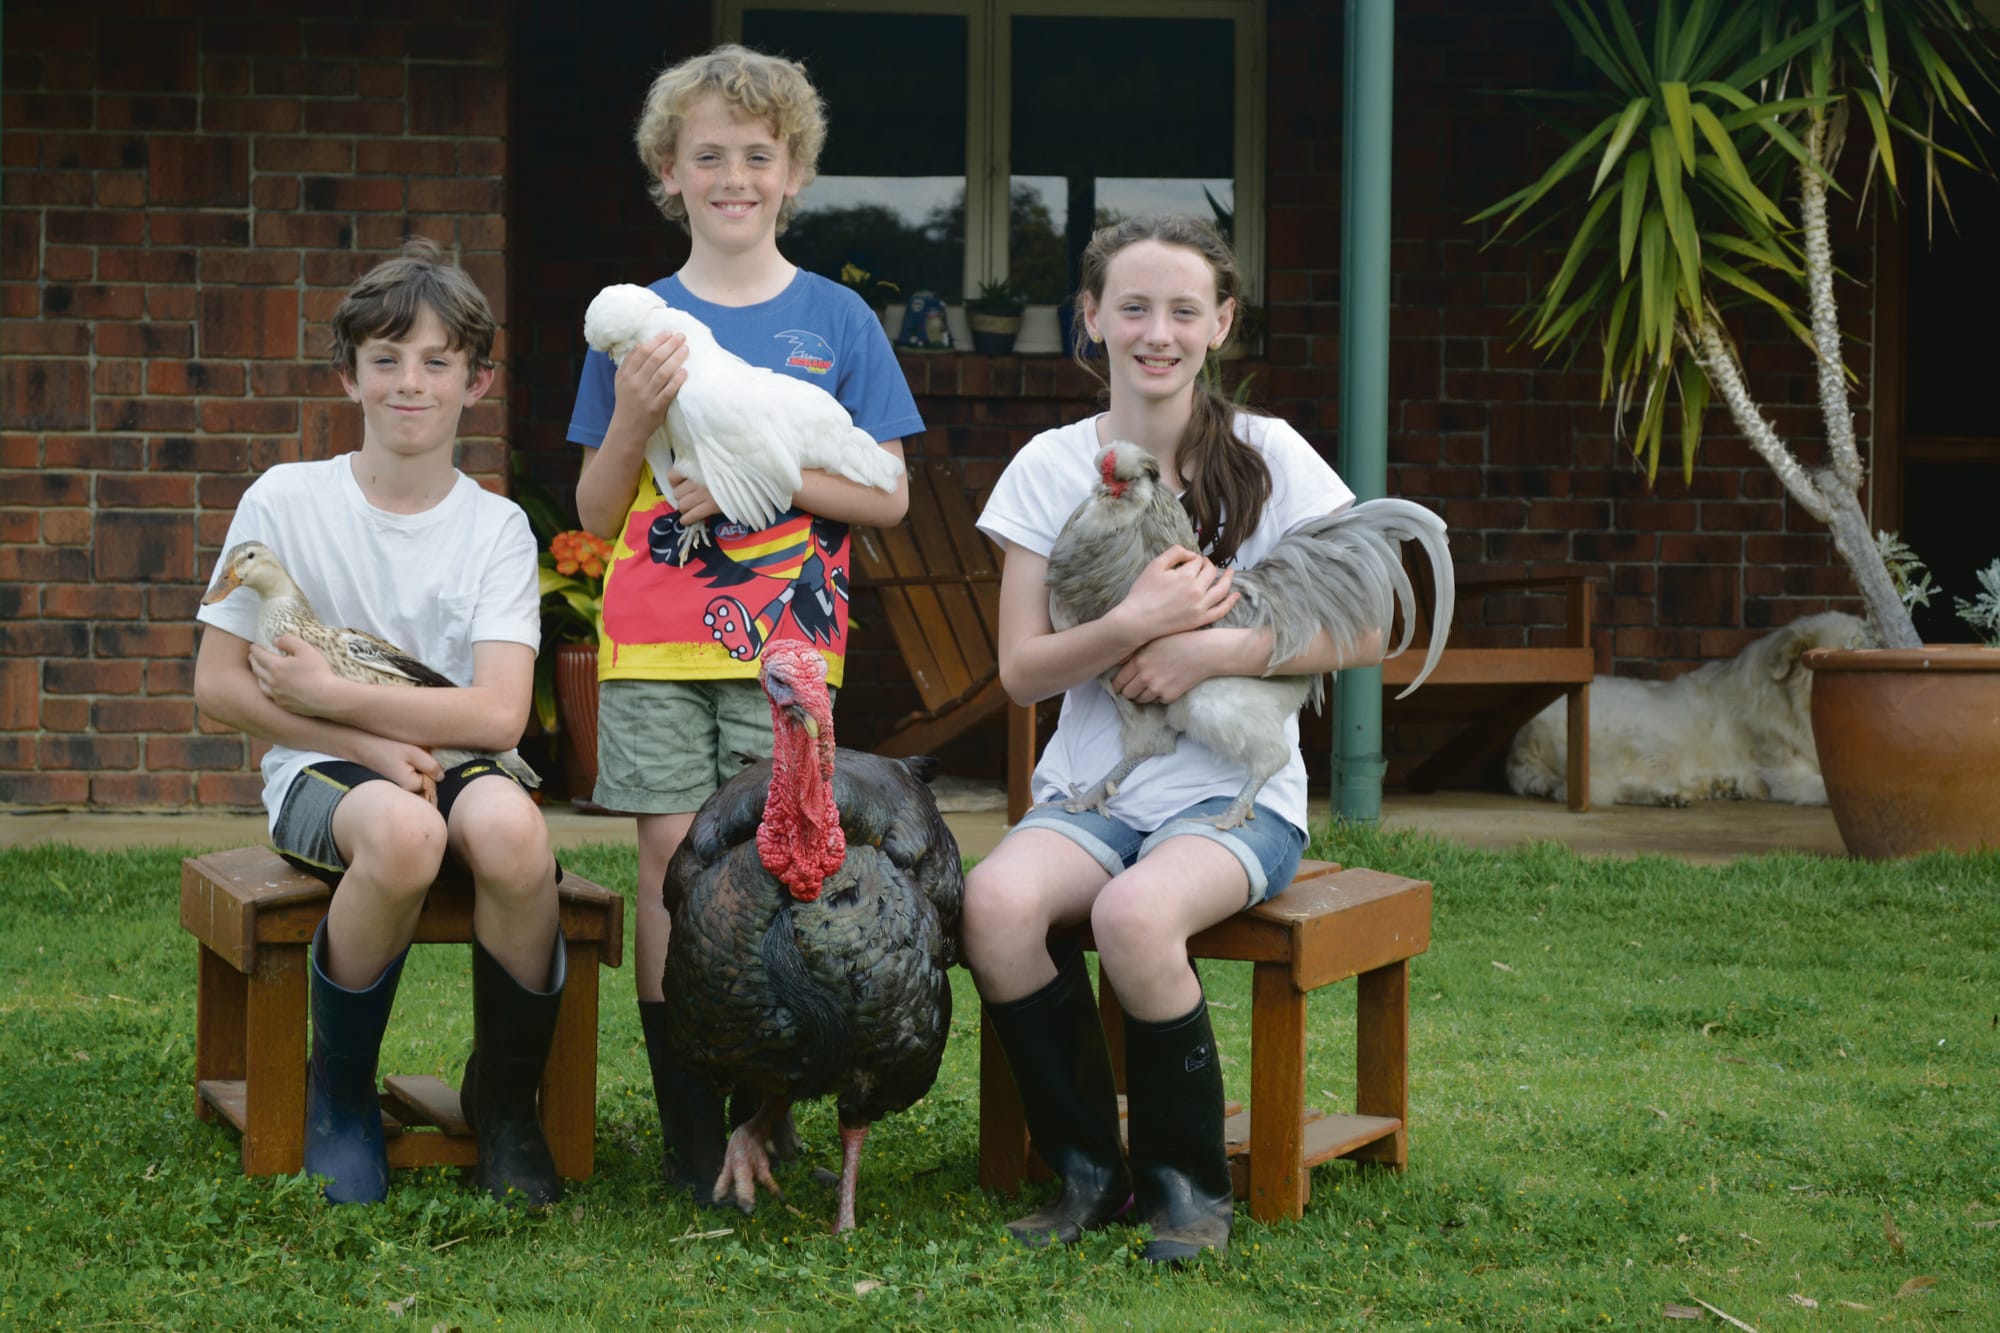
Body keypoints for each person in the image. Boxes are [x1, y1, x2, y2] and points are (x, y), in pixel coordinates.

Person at [968, 215, 1385, 1264]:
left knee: (1134, 914)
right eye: (1134, 307)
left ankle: (1185, 1190)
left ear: (1220, 324)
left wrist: (1210, 654)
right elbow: (1020, 668)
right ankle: (1083, 1172)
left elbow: (1367, 626)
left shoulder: (1270, 456)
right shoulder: (1047, 465)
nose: (1157, 332)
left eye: (1183, 310)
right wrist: (1130, 627)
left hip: (1233, 794)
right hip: (1096, 787)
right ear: (1093, 319)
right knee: (996, 903)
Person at [565, 44, 920, 1201]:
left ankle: (771, 1111)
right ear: (668, 172)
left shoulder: (837, 322)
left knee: (781, 870)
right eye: (706, 154)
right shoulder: (635, 322)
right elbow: (594, 505)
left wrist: (758, 483)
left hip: (786, 654)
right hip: (657, 640)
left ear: (793, 173)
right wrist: (632, 420)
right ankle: (686, 1128)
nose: (732, 176)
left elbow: (888, 495)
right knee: (673, 867)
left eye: (755, 156)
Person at [193, 239, 563, 1208]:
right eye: (387, 359)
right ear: (346, 371)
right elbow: (220, 686)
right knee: (405, 833)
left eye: (438, 361)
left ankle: (508, 1103)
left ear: (475, 382)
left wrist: (338, 695)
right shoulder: (284, 499)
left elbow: (498, 712)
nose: (411, 383)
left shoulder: (495, 528)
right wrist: (353, 738)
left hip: (455, 755)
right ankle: (343, 1094)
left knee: (514, 833)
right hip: (321, 769)